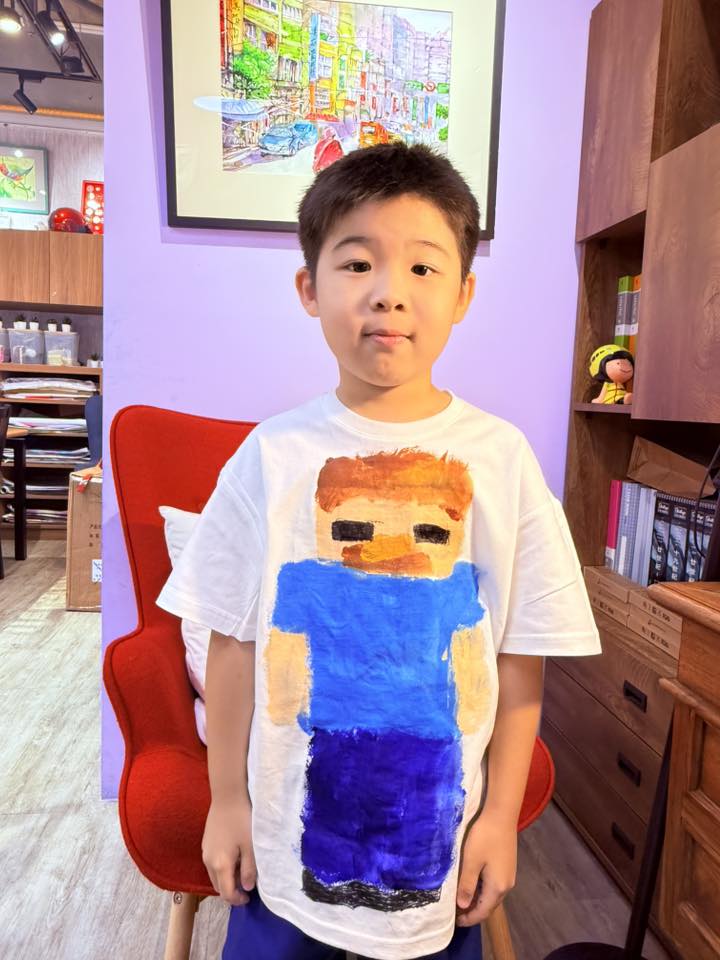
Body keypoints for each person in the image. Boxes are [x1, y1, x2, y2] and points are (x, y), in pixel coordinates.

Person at [156, 142, 601, 960]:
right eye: (357, 263)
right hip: (285, 858)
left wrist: (499, 817)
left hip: (438, 859)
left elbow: (519, 660)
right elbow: (234, 641)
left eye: (424, 268)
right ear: (309, 288)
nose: (389, 292)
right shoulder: (271, 456)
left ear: (463, 294)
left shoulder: (502, 461)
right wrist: (227, 802)